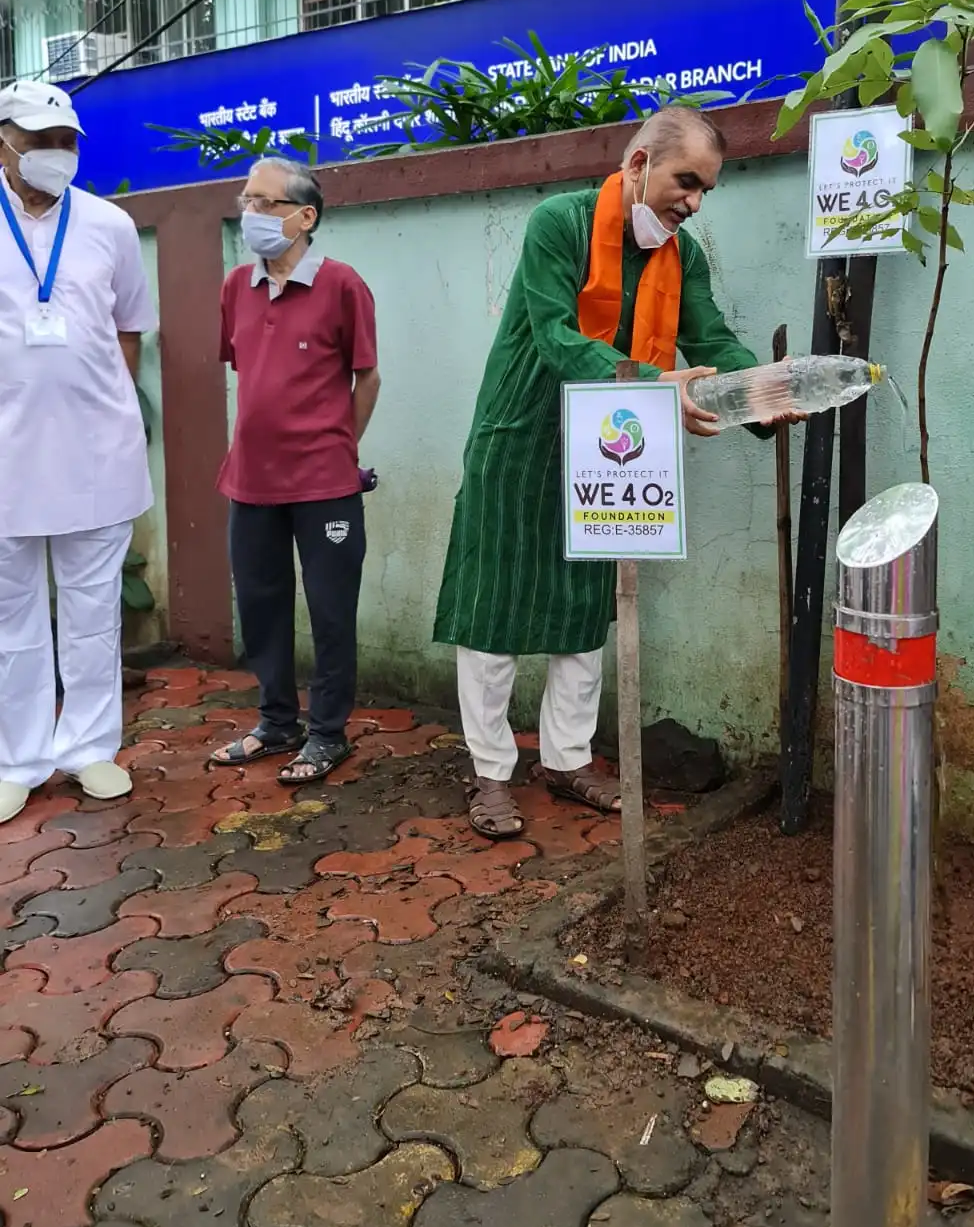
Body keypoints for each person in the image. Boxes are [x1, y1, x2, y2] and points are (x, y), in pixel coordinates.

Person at [435, 105, 799, 840]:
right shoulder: (559, 225)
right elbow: (554, 335)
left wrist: (758, 398)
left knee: (583, 607)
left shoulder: (683, 255)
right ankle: (491, 773)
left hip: (607, 445)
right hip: (519, 435)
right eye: (685, 181)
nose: (693, 202)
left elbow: (710, 337)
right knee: (492, 608)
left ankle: (567, 761)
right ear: (637, 164)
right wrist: (648, 382)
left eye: (706, 191)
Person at [0, 80, 157, 824]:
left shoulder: (109, 226)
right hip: (5, 457)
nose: (55, 155)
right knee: (12, 617)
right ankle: (18, 759)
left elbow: (130, 327)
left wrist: (99, 400)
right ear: (4, 141)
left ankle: (91, 747)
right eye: (39, 141)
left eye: (66, 142)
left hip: (97, 453)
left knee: (93, 612)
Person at [209, 158, 381, 785]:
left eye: (265, 202)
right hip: (250, 479)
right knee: (261, 606)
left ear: (305, 216)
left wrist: (339, 447)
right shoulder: (236, 287)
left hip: (325, 485)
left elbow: (368, 378)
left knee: (331, 609)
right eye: (246, 200)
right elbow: (250, 375)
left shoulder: (342, 286)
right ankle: (276, 722)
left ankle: (328, 734)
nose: (249, 213)